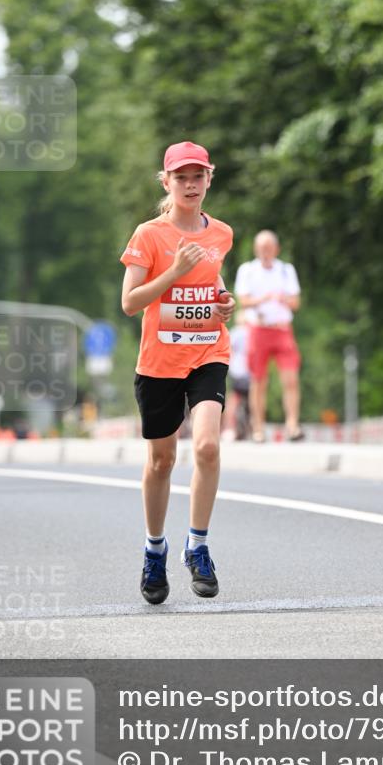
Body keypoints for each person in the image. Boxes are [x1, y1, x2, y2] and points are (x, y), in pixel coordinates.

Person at [120, 141, 235, 605]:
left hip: (208, 350)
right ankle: (154, 550)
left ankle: (198, 545)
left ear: (210, 179)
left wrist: (226, 301)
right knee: (162, 461)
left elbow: (214, 283)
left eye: (198, 176)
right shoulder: (149, 235)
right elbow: (130, 303)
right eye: (181, 177)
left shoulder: (221, 233)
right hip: (159, 362)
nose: (191, 185)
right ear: (166, 182)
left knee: (206, 446)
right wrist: (174, 271)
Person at [234, 230, 304, 442]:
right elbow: (243, 301)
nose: (266, 252)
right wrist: (264, 299)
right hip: (258, 328)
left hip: (282, 328)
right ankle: (258, 427)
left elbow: (295, 302)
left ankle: (292, 424)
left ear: (276, 249)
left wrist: (282, 299)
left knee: (290, 378)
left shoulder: (285, 270)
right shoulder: (247, 270)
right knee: (258, 380)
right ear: (257, 250)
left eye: (269, 248)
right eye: (262, 248)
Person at [222, 311, 251, 441]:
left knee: (234, 399)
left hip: (237, 370)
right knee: (248, 400)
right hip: (248, 371)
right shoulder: (249, 332)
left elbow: (229, 350)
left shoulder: (236, 332)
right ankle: (251, 428)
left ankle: (230, 429)